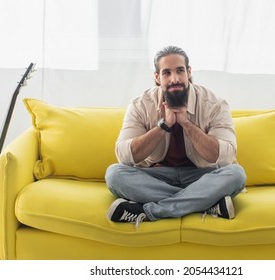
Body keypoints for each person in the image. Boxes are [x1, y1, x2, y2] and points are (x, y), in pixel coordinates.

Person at [105, 46, 247, 227]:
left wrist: (187, 124)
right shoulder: (140, 105)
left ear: (189, 72)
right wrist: (164, 126)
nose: (175, 79)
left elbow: (225, 157)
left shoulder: (215, 104)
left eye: (180, 70)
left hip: (201, 175)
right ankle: (206, 202)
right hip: (156, 176)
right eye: (167, 73)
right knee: (115, 174)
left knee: (236, 174)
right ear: (157, 78)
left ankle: (150, 212)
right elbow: (124, 156)